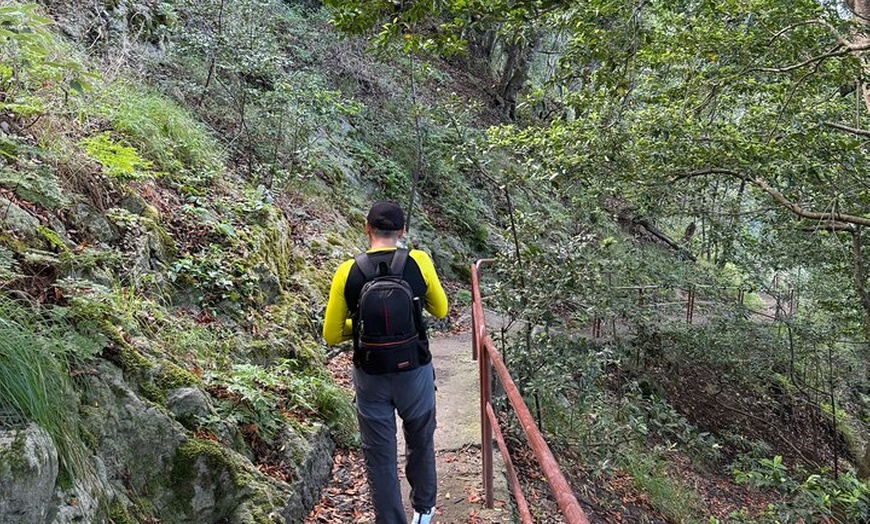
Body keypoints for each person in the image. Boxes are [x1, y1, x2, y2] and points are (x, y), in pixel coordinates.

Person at [323, 200, 448, 524]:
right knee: (420, 437)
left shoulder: (347, 272)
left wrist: (362, 325)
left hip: (371, 376)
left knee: (379, 454)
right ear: (402, 231)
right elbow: (440, 310)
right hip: (415, 371)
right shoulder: (419, 261)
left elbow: (332, 334)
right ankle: (424, 509)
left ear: (366, 229)